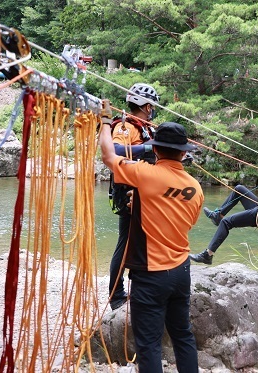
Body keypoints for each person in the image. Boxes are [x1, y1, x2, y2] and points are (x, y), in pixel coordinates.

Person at [100, 112, 204, 373]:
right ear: (183, 153)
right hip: (182, 271)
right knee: (183, 335)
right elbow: (186, 223)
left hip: (151, 276)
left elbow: (108, 156)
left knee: (148, 344)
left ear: (155, 149)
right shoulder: (195, 187)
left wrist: (103, 122)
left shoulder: (145, 175)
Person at [107, 83, 159, 310]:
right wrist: (148, 149)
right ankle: (116, 295)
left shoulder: (143, 127)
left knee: (140, 240)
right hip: (129, 191)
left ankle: (136, 288)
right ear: (147, 106)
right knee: (126, 242)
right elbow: (115, 150)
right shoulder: (126, 126)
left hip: (142, 189)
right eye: (153, 107)